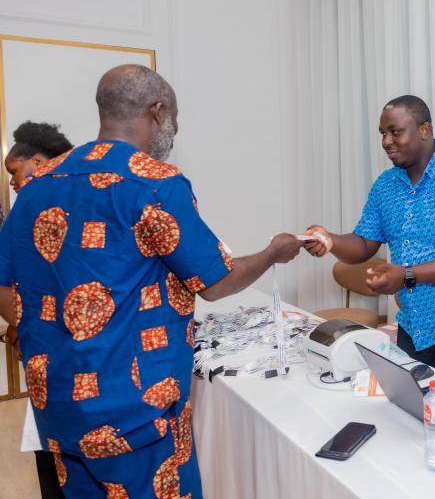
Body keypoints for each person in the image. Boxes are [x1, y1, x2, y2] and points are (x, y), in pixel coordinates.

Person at [0, 64, 303, 498]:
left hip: (59, 405)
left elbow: (6, 284)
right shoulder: (155, 183)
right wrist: (274, 252)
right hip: (136, 412)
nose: (176, 130)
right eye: (175, 118)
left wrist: (53, 333)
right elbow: (215, 282)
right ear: (158, 111)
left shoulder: (38, 184)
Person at [303, 95, 435, 390]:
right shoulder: (385, 186)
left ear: (424, 130)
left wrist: (407, 274)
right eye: (383, 133)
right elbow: (364, 242)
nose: (386, 142)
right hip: (414, 324)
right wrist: (330, 240)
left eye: (395, 132)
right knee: (410, 408)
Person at [3, 121, 73, 499]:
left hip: (53, 354)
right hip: (78, 352)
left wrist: (25, 326)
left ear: (39, 162)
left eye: (14, 172)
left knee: (56, 449)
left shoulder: (30, 206)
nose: (13, 181)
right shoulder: (83, 196)